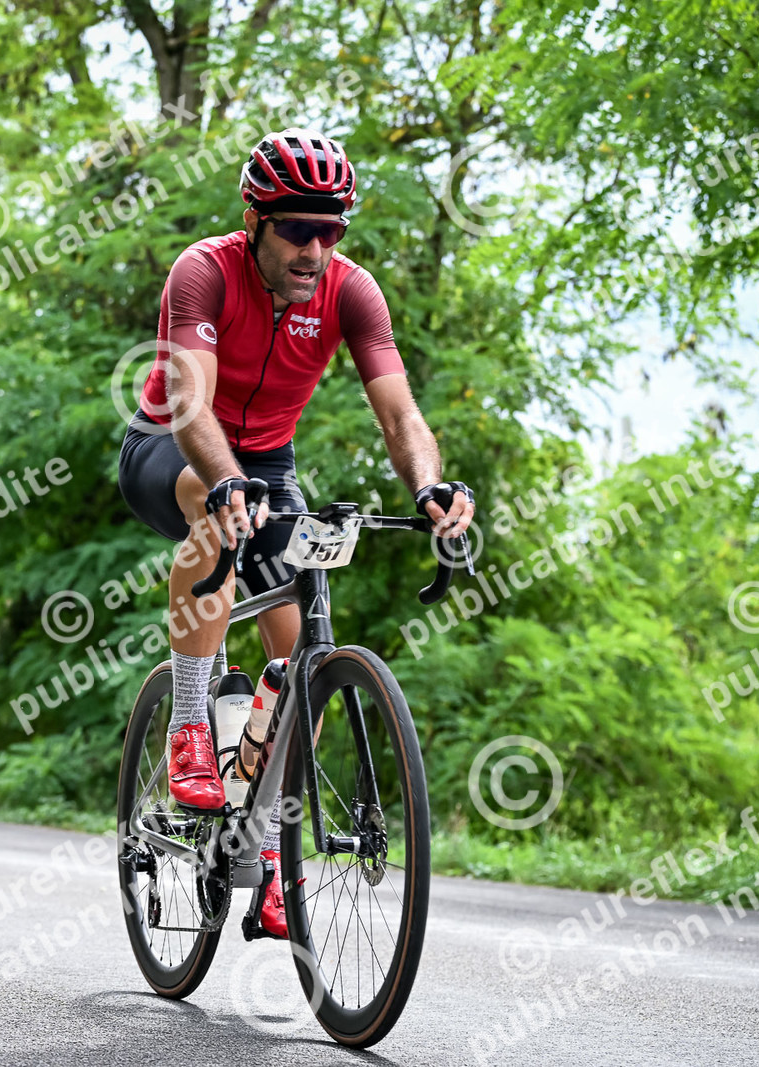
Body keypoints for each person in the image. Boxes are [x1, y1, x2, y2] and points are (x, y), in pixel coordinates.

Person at [117, 129, 475, 938]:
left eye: (332, 230)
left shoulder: (352, 292)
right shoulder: (204, 272)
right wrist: (224, 480)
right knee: (214, 512)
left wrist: (427, 487)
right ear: (255, 221)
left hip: (269, 465)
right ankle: (188, 726)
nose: (316, 248)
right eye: (299, 230)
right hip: (172, 445)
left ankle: (272, 847)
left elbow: (400, 415)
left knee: (302, 657)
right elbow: (191, 403)